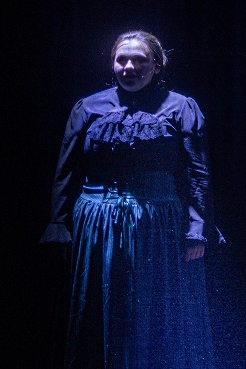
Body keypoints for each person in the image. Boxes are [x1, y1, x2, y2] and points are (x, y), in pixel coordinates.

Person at [42, 30, 214, 368]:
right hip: (96, 221)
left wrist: (197, 226)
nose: (130, 66)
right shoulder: (88, 107)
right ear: (112, 63)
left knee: (151, 306)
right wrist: (59, 221)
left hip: (157, 222)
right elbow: (66, 169)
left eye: (140, 60)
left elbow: (198, 173)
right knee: (98, 304)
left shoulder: (181, 108)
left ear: (157, 65)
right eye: (122, 59)